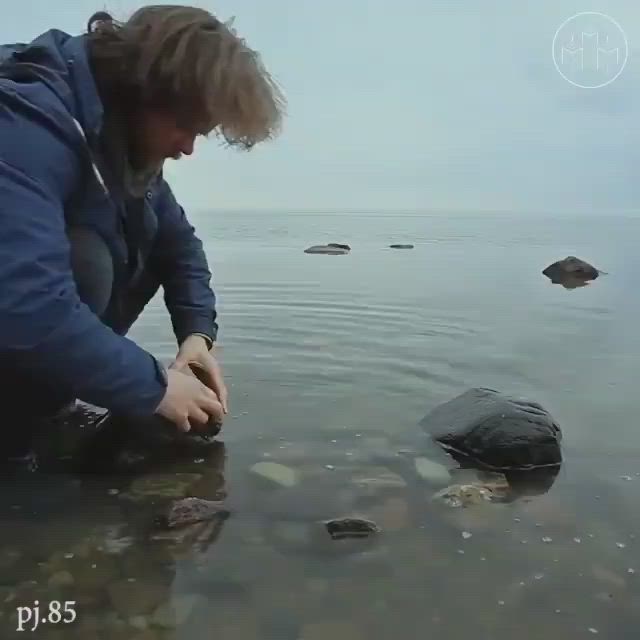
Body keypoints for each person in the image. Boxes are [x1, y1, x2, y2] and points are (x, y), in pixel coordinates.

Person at [0, 6, 286, 465]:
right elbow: (25, 301)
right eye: (187, 126)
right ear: (143, 90)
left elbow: (182, 250)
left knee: (146, 243)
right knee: (87, 260)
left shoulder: (123, 154)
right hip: (17, 316)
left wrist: (196, 337)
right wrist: (154, 387)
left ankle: (45, 410)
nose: (189, 148)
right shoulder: (24, 127)